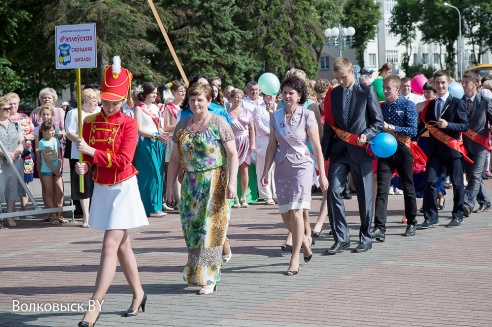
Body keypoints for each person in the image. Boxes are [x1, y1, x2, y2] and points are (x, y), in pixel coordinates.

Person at [76, 59, 149, 326]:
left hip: (122, 189)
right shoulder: (89, 122)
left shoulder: (129, 124)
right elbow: (87, 159)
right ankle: (139, 293)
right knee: (122, 246)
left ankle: (93, 307)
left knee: (108, 246)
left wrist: (92, 153)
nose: (109, 107)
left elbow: (123, 160)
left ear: (124, 101)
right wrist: (84, 166)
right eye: (105, 101)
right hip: (102, 188)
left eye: (115, 103)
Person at [166, 82, 238, 295]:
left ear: (208, 101)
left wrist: (232, 183)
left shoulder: (218, 122)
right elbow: (175, 158)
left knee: (210, 230)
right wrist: (170, 186)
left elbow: (233, 155)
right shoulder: (182, 126)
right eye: (192, 99)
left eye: (200, 100)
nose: (196, 103)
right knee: (193, 230)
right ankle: (197, 273)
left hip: (215, 182)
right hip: (190, 185)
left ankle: (211, 277)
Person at [262, 76, 328, 275]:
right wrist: (265, 170)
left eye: (291, 93)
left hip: (302, 167)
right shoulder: (276, 117)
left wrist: (322, 174)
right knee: (285, 214)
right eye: (284, 92)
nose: (287, 96)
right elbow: (272, 146)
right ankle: (306, 241)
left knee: (297, 211)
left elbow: (316, 146)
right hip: (282, 167)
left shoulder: (308, 115)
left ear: (300, 96)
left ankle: (295, 258)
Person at [321, 57, 383, 254]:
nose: (340, 81)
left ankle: (365, 237)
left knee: (364, 196)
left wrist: (368, 134)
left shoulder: (366, 91)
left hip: (360, 150)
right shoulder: (334, 94)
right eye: (337, 78)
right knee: (333, 191)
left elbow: (378, 122)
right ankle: (341, 237)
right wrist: (323, 154)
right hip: (339, 151)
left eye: (343, 77)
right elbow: (330, 126)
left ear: (351, 72)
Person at [418, 70, 468, 228]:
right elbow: (422, 127)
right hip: (434, 151)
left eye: (443, 82)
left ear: (448, 83)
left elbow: (464, 125)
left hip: (452, 149)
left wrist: (449, 125)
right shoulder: (431, 104)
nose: (440, 86)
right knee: (430, 182)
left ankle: (457, 215)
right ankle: (431, 217)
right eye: (437, 82)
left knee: (457, 183)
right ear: (433, 83)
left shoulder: (458, 103)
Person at [372, 75, 418, 240]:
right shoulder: (381, 107)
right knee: (382, 189)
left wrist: (390, 127)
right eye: (383, 88)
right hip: (385, 152)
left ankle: (411, 222)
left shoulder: (408, 105)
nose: (385, 91)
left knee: (408, 186)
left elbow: (413, 130)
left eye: (388, 88)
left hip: (403, 150)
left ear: (397, 89)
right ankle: (379, 227)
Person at [66, 88, 100, 227]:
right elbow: (69, 133)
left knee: (97, 183)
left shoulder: (99, 112)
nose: (96, 104)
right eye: (94, 102)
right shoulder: (74, 113)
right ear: (85, 101)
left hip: (97, 152)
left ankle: (97, 213)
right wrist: (82, 141)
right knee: (83, 185)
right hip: (80, 153)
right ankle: (86, 215)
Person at [134, 82, 167, 217]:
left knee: (159, 174)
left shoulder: (156, 108)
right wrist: (156, 135)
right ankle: (150, 206)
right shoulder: (139, 109)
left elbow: (158, 126)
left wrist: (163, 134)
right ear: (145, 93)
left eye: (156, 92)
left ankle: (157, 205)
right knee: (150, 174)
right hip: (146, 143)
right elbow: (139, 129)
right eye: (152, 92)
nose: (155, 95)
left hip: (158, 142)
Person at [461, 73, 492, 216]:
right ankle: (485, 202)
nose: (464, 85)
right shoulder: (459, 101)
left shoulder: (485, 101)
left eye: (467, 82)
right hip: (465, 145)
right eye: (463, 82)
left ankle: (467, 204)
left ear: (475, 84)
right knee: (472, 176)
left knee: (475, 175)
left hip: (480, 145)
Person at [6, 93, 34, 212]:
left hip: (26, 155)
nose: (13, 106)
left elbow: (32, 135)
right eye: (10, 104)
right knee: (10, 182)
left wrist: (25, 137)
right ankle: (11, 211)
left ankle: (25, 209)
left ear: (18, 104)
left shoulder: (25, 118)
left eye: (15, 103)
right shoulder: (5, 119)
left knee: (25, 181)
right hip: (10, 154)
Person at [228, 88, 255, 208]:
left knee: (244, 170)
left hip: (245, 142)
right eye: (235, 97)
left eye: (240, 97)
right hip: (232, 142)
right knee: (233, 171)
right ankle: (234, 197)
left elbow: (251, 129)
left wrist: (253, 144)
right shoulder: (226, 113)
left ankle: (244, 197)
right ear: (231, 98)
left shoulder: (248, 112)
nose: (237, 99)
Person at [0, 96, 25, 227]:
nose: (8, 110)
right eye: (5, 108)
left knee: (12, 188)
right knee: (0, 188)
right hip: (1, 161)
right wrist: (5, 153)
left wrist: (17, 151)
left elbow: (22, 141)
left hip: (14, 161)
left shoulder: (15, 124)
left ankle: (9, 216)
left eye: (9, 108)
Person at [38, 121, 66, 224]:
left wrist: (58, 165)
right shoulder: (42, 142)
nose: (52, 132)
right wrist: (53, 168)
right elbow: (45, 158)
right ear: (44, 131)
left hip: (56, 169)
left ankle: (59, 214)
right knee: (49, 192)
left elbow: (59, 154)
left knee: (60, 192)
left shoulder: (55, 140)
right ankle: (52, 215)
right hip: (47, 170)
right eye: (50, 130)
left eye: (53, 129)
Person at [254, 93, 277, 205]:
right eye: (268, 95)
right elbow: (259, 125)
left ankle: (276, 193)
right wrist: (272, 133)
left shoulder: (279, 107)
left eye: (273, 95)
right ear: (263, 96)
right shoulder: (258, 108)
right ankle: (266, 195)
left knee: (276, 169)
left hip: (277, 142)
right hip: (264, 142)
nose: (271, 97)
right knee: (264, 168)